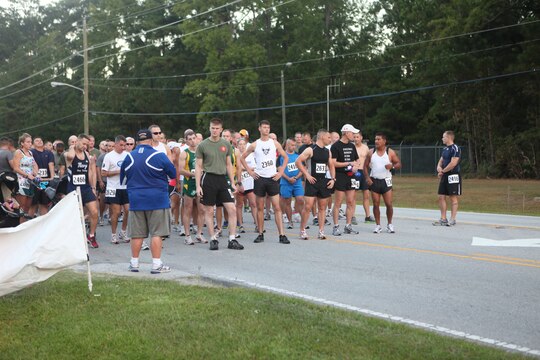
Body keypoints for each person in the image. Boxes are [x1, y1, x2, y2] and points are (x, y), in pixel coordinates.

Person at [120, 129, 176, 274]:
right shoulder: (159, 155)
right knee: (157, 233)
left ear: (137, 142)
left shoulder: (129, 157)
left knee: (137, 234)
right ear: (152, 141)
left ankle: (134, 263)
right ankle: (156, 265)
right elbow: (173, 174)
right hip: (157, 199)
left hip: (136, 200)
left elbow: (123, 178)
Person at [195, 118, 243, 251]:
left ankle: (232, 239)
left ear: (221, 129)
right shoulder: (203, 145)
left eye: (217, 128)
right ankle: (213, 239)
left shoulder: (226, 144)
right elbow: (198, 167)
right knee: (209, 210)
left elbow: (229, 164)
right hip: (208, 178)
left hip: (222, 179)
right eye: (212, 128)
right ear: (209, 128)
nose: (214, 130)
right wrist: (198, 186)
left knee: (232, 209)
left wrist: (233, 182)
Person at [240, 120, 290, 245]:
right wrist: (250, 172)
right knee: (260, 207)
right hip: (260, 178)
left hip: (272, 178)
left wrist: (280, 172)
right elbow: (242, 158)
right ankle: (260, 233)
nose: (266, 129)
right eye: (264, 127)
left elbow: (286, 157)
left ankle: (282, 235)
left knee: (277, 207)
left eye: (268, 127)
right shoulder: (255, 144)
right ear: (259, 129)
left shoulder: (274, 143)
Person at [295, 129, 335, 240]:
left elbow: (331, 165)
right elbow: (298, 162)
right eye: (328, 137)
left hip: (323, 181)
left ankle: (321, 231)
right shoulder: (310, 149)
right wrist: (306, 175)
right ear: (322, 137)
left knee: (322, 208)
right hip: (312, 181)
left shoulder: (328, 151)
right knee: (307, 207)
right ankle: (302, 230)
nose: (330, 140)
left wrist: (333, 179)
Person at [65, 134, 99, 247]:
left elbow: (89, 172)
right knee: (76, 215)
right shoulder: (70, 153)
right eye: (83, 143)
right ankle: (74, 236)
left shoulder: (87, 154)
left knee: (94, 212)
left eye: (87, 144)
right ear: (77, 141)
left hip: (85, 187)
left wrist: (93, 187)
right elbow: (69, 157)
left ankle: (92, 235)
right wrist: (72, 147)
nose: (85, 146)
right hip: (73, 188)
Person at [363, 132, 401, 233]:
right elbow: (365, 166)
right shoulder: (371, 152)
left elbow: (398, 163)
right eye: (375, 139)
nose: (376, 141)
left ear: (384, 141)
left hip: (386, 181)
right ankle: (378, 225)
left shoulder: (390, 152)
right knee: (376, 204)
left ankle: (389, 224)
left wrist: (392, 166)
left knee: (389, 204)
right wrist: (367, 178)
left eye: (379, 139)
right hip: (374, 180)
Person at [330, 124, 361, 236]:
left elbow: (357, 159)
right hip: (340, 176)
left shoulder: (352, 146)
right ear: (346, 133)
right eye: (352, 133)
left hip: (351, 176)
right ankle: (336, 226)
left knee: (350, 202)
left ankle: (348, 226)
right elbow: (333, 162)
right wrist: (348, 163)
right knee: (338, 202)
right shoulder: (336, 146)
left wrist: (356, 166)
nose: (354, 135)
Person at [178, 130, 206, 245]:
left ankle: (199, 234)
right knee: (188, 209)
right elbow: (180, 170)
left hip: (201, 183)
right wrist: (194, 174)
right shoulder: (184, 153)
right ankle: (187, 235)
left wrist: (203, 172)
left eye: (194, 138)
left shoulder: (202, 151)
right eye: (189, 139)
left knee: (202, 209)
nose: (192, 141)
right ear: (186, 140)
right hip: (189, 183)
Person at [101, 135, 130, 244]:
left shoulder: (127, 155)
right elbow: (103, 173)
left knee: (128, 210)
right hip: (113, 187)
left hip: (125, 187)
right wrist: (119, 171)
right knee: (116, 212)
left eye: (125, 145)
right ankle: (113, 234)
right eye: (121, 145)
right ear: (116, 144)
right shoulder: (109, 156)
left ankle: (123, 232)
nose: (123, 147)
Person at [434, 131, 462, 226]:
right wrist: (439, 167)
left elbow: (453, 163)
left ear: (449, 138)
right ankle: (443, 218)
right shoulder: (445, 149)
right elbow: (441, 160)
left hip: (453, 175)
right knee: (441, 196)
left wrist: (442, 171)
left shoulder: (455, 148)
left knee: (452, 197)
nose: (442, 139)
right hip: (445, 174)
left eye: (443, 137)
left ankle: (452, 219)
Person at [278, 138, 304, 229]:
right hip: (285, 182)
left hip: (297, 182)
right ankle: (290, 221)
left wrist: (296, 177)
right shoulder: (282, 156)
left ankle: (303, 221)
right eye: (292, 145)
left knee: (300, 199)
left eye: (294, 145)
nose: (293, 147)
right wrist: (288, 178)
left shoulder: (298, 156)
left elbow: (303, 169)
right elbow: (279, 169)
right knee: (287, 201)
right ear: (287, 145)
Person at [12, 133, 38, 222]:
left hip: (30, 181)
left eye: (31, 142)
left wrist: (36, 173)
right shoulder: (18, 152)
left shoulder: (30, 152)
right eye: (28, 142)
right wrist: (27, 175)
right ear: (22, 143)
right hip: (21, 181)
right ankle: (19, 225)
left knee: (28, 206)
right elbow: (15, 168)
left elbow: (34, 165)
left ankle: (24, 225)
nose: (30, 144)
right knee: (22, 207)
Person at [235, 137, 257, 232]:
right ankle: (241, 225)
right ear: (237, 145)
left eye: (244, 144)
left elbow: (254, 168)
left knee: (253, 204)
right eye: (240, 144)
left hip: (250, 183)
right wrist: (244, 169)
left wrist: (243, 168)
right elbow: (235, 169)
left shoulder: (250, 155)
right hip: (240, 183)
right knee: (239, 205)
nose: (242, 146)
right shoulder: (235, 155)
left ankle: (257, 223)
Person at [29, 136, 55, 216]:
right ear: (33, 143)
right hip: (34, 182)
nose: (39, 141)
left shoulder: (49, 153)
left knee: (44, 203)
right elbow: (31, 165)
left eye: (40, 140)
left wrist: (52, 177)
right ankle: (29, 222)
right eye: (37, 140)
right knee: (33, 203)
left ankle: (44, 223)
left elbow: (51, 165)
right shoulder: (31, 152)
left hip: (45, 181)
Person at [353, 131, 375, 224]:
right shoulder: (351, 147)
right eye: (354, 137)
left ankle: (368, 216)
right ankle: (352, 216)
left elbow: (369, 161)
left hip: (364, 172)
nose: (356, 139)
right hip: (355, 173)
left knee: (366, 195)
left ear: (361, 138)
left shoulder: (366, 148)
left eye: (357, 137)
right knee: (353, 195)